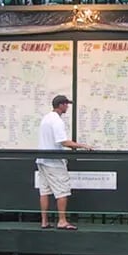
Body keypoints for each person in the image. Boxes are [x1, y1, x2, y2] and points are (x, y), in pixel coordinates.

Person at [36, 94, 93, 230]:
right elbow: (63, 141)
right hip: (54, 162)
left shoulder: (46, 118)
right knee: (62, 191)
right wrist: (83, 146)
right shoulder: (57, 120)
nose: (67, 106)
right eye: (66, 104)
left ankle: (44, 221)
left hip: (42, 160)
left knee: (44, 191)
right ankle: (62, 221)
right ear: (61, 105)